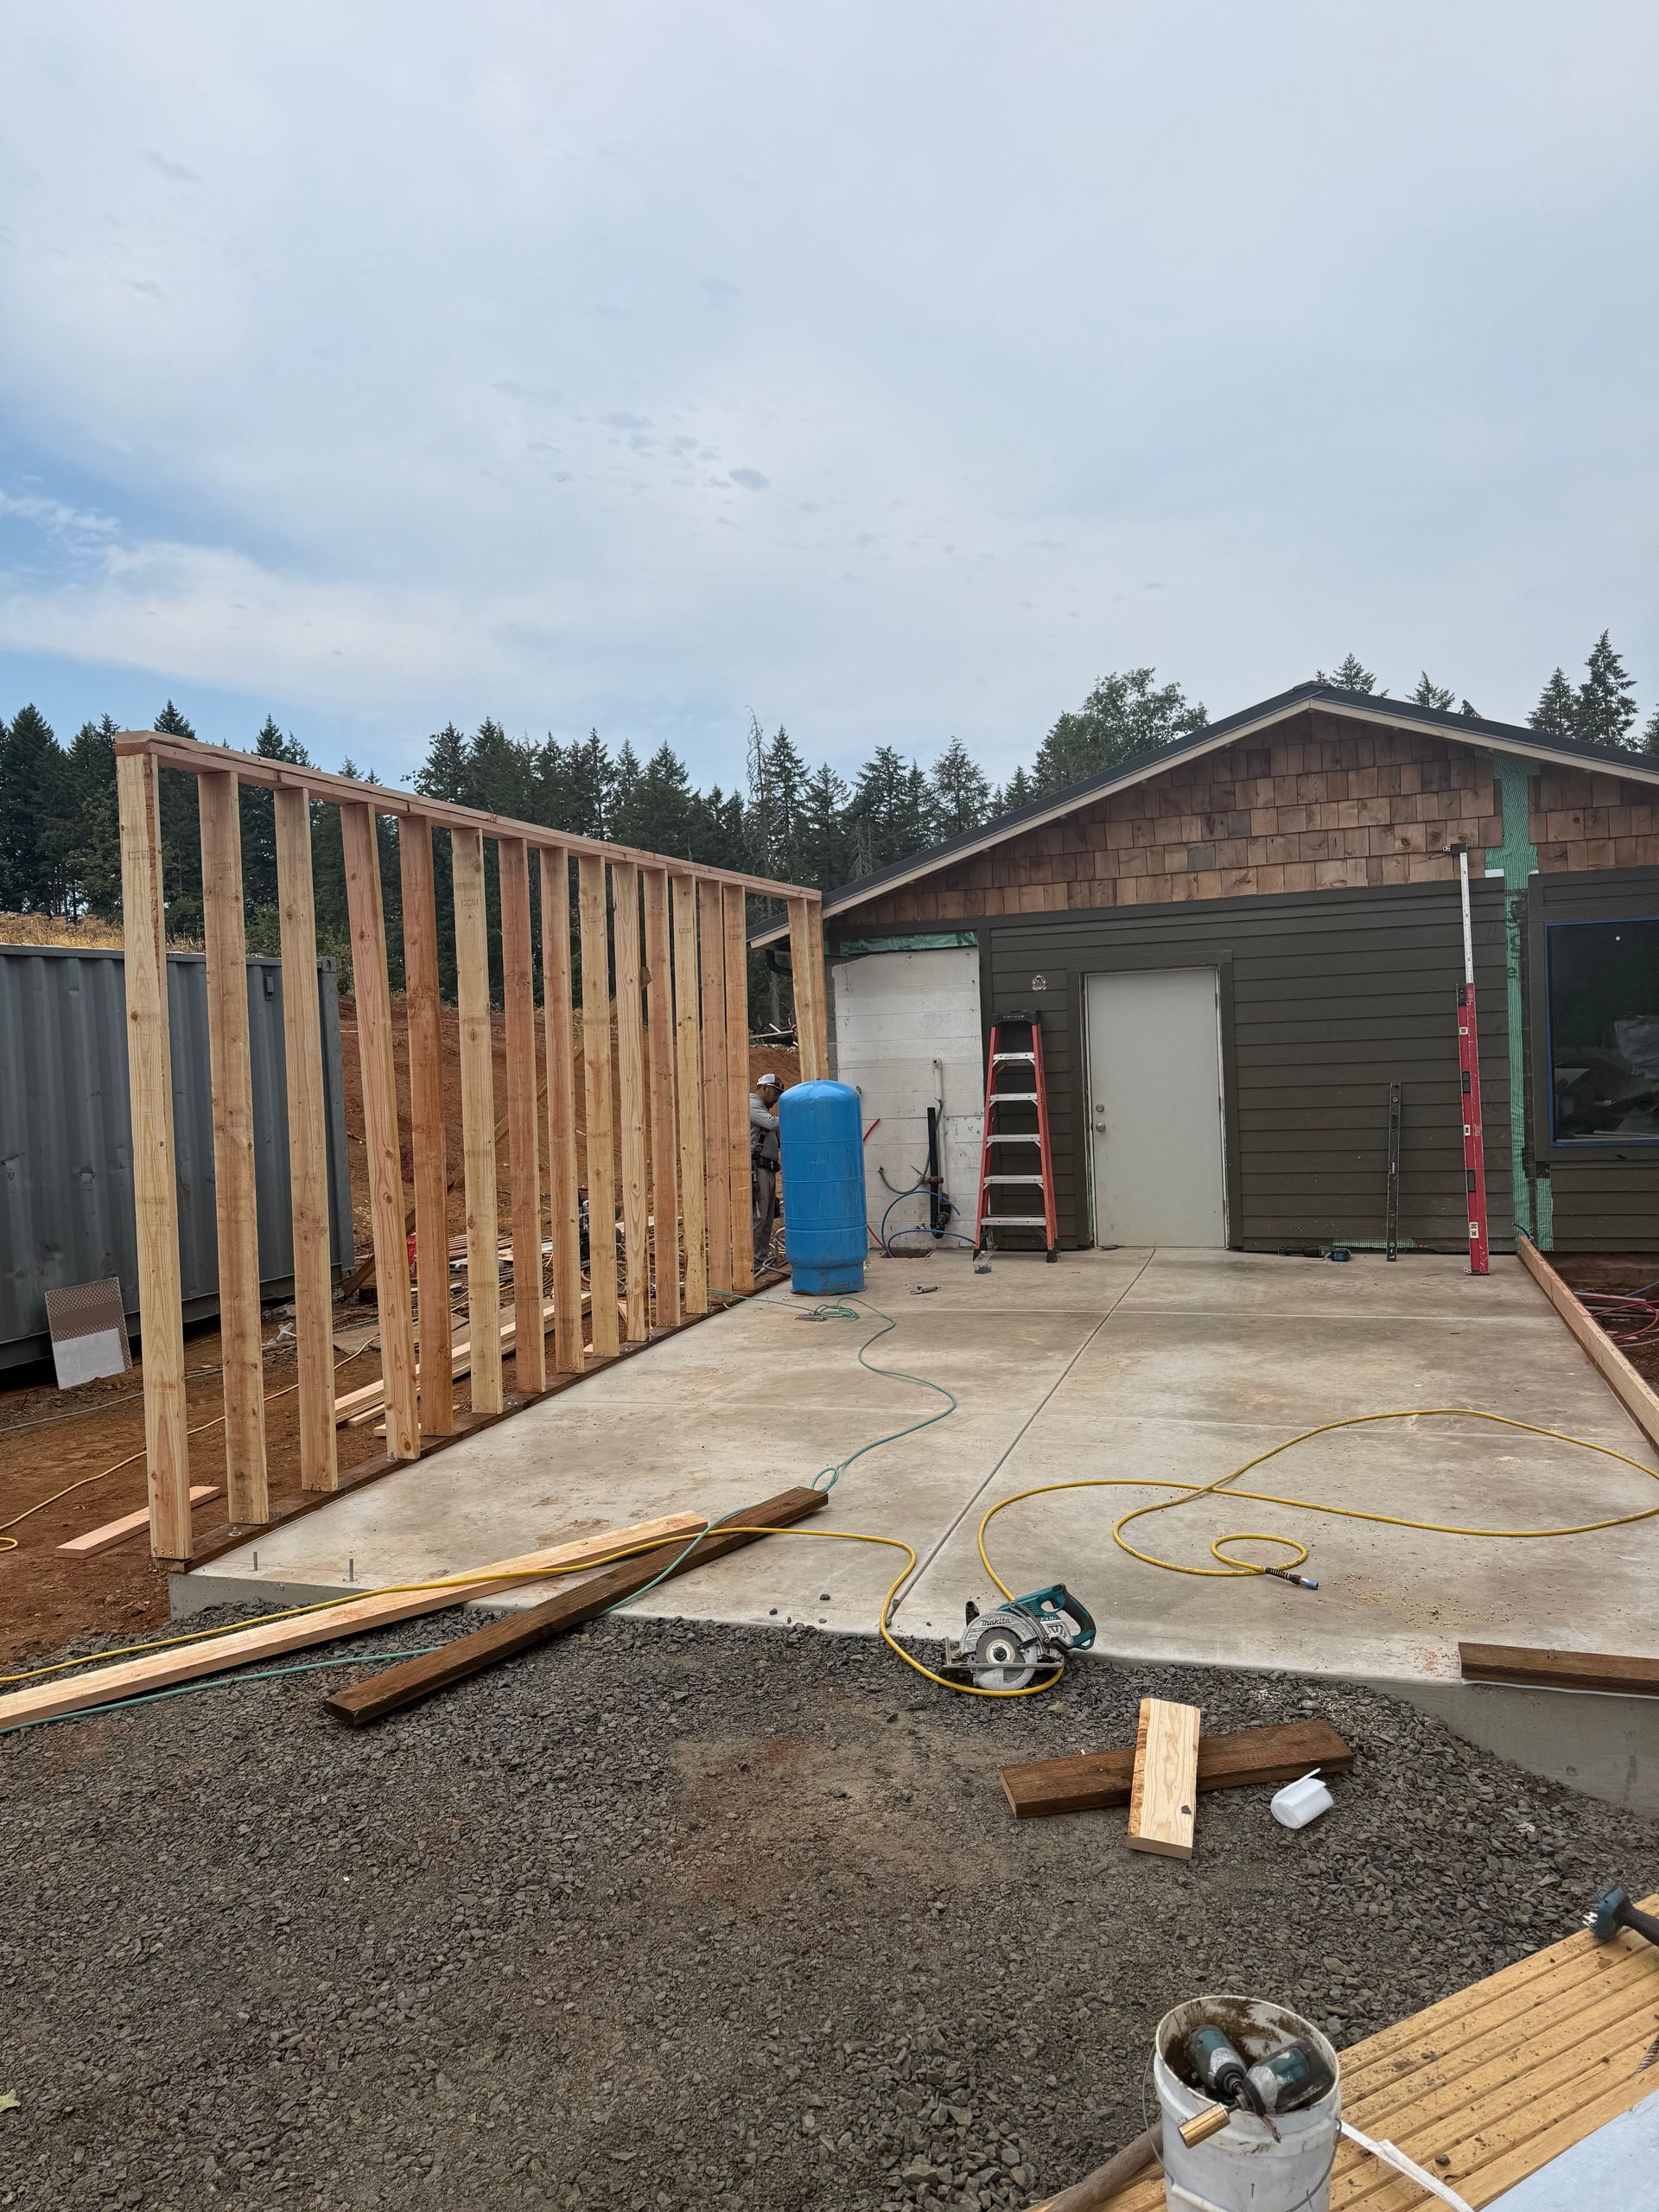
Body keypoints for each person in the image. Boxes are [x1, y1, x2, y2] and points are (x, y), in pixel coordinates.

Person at [750, 1072, 783, 1272]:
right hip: (757, 1169)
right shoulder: (751, 1103)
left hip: (768, 1169)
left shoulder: (762, 1109)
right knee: (759, 1217)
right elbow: (772, 1123)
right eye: (775, 1093)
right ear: (764, 1088)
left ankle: (760, 1261)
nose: (776, 1098)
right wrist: (796, 1113)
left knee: (768, 1217)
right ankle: (753, 1263)